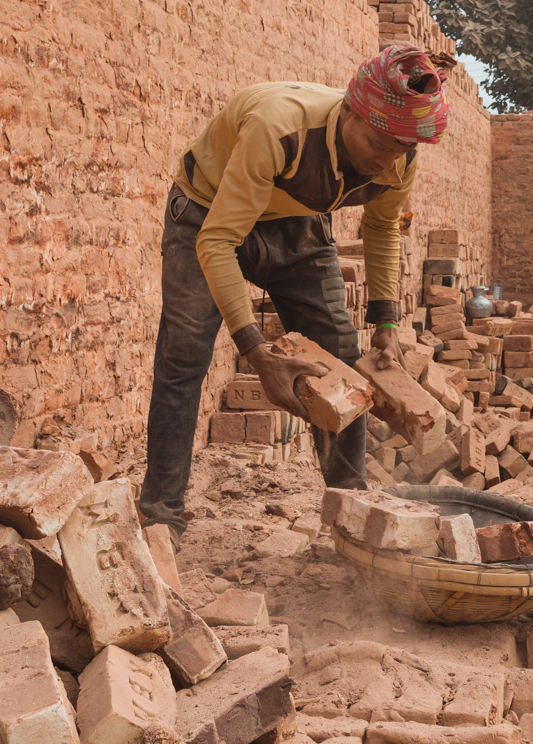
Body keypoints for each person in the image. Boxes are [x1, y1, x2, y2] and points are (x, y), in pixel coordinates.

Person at [139, 44, 457, 542]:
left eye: (399, 149)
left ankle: (353, 514)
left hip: (297, 222)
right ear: (349, 111)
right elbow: (218, 240)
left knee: (342, 358)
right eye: (377, 142)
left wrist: (388, 324)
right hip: (206, 211)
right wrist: (255, 351)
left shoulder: (399, 155)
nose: (385, 160)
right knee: (184, 359)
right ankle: (161, 518)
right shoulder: (278, 129)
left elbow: (381, 226)